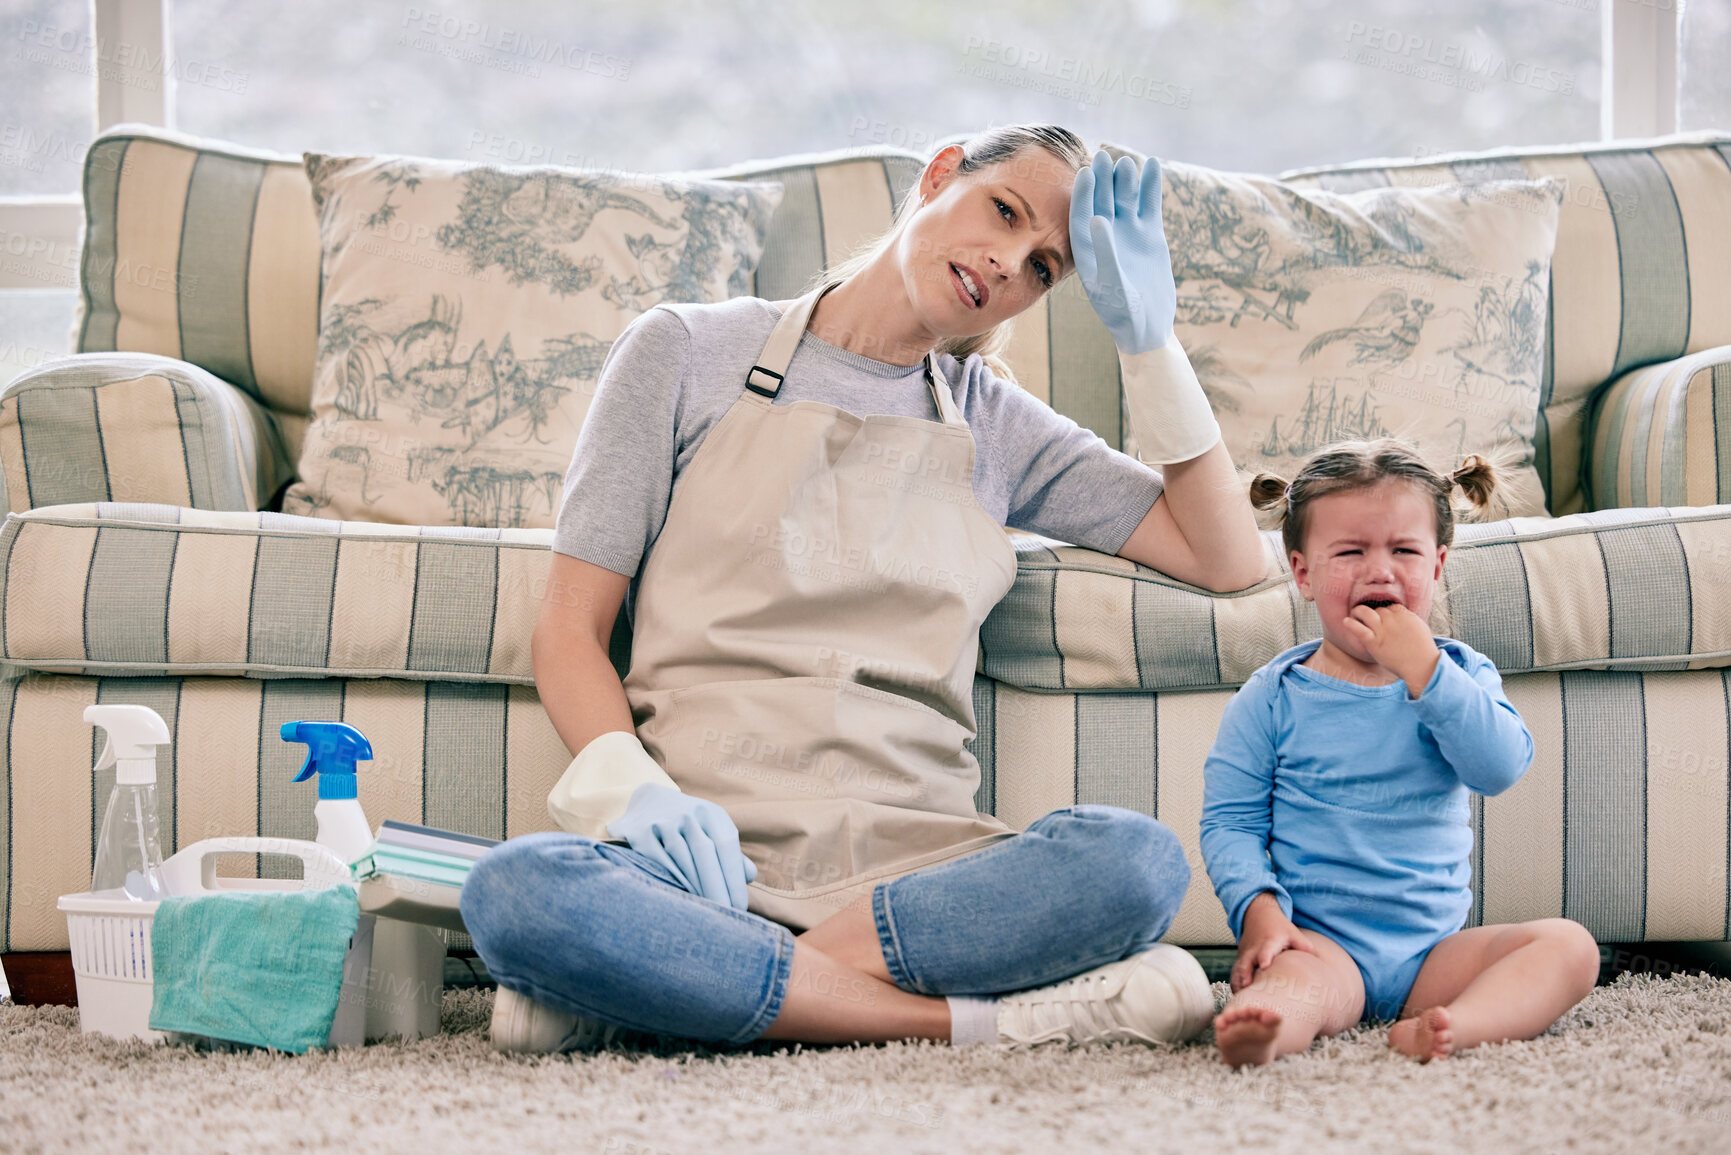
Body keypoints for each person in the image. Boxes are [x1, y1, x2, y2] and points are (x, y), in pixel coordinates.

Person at [459, 124, 1268, 1054]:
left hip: (920, 879)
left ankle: (678, 986)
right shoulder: (683, 352)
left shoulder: (995, 424)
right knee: (515, 891)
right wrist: (634, 792)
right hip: (705, 866)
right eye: (1002, 212)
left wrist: (1149, 342)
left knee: (1137, 865)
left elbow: (1227, 558)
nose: (1007, 263)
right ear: (936, 175)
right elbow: (569, 624)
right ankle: (973, 1025)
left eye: (1044, 268)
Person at [1200, 439, 1601, 1066]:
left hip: (1433, 957)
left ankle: (1454, 1025)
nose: (1380, 570)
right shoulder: (1274, 696)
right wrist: (1260, 911)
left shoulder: (1460, 675)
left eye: (1404, 551)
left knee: (1570, 948)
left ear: (1437, 565)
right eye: (1351, 552)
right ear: (1303, 572)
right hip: (1323, 946)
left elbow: (1498, 767)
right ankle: (1265, 1028)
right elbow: (1231, 822)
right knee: (1294, 987)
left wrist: (1426, 672)